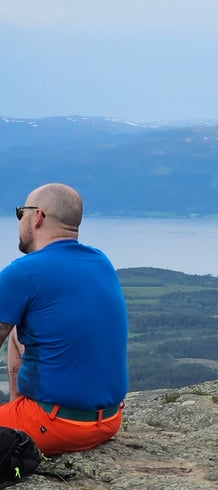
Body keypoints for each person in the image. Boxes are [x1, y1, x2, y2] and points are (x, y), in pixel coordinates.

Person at [0, 183, 128, 455]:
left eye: (21, 212)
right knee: (16, 333)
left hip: (57, 426)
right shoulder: (100, 261)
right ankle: (14, 419)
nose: (20, 220)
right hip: (109, 421)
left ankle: (18, 435)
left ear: (37, 216)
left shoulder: (23, 272)